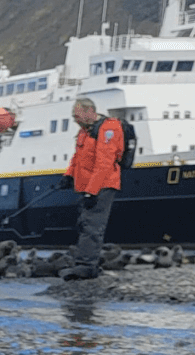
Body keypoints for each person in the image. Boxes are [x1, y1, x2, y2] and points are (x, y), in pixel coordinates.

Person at [60, 98, 125, 281]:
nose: (75, 120)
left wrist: (92, 191)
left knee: (92, 225)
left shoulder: (108, 129)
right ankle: (85, 262)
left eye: (77, 115)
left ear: (89, 111)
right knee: (84, 223)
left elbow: (104, 163)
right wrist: (68, 176)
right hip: (86, 185)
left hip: (102, 185)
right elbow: (78, 157)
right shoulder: (85, 131)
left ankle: (87, 266)